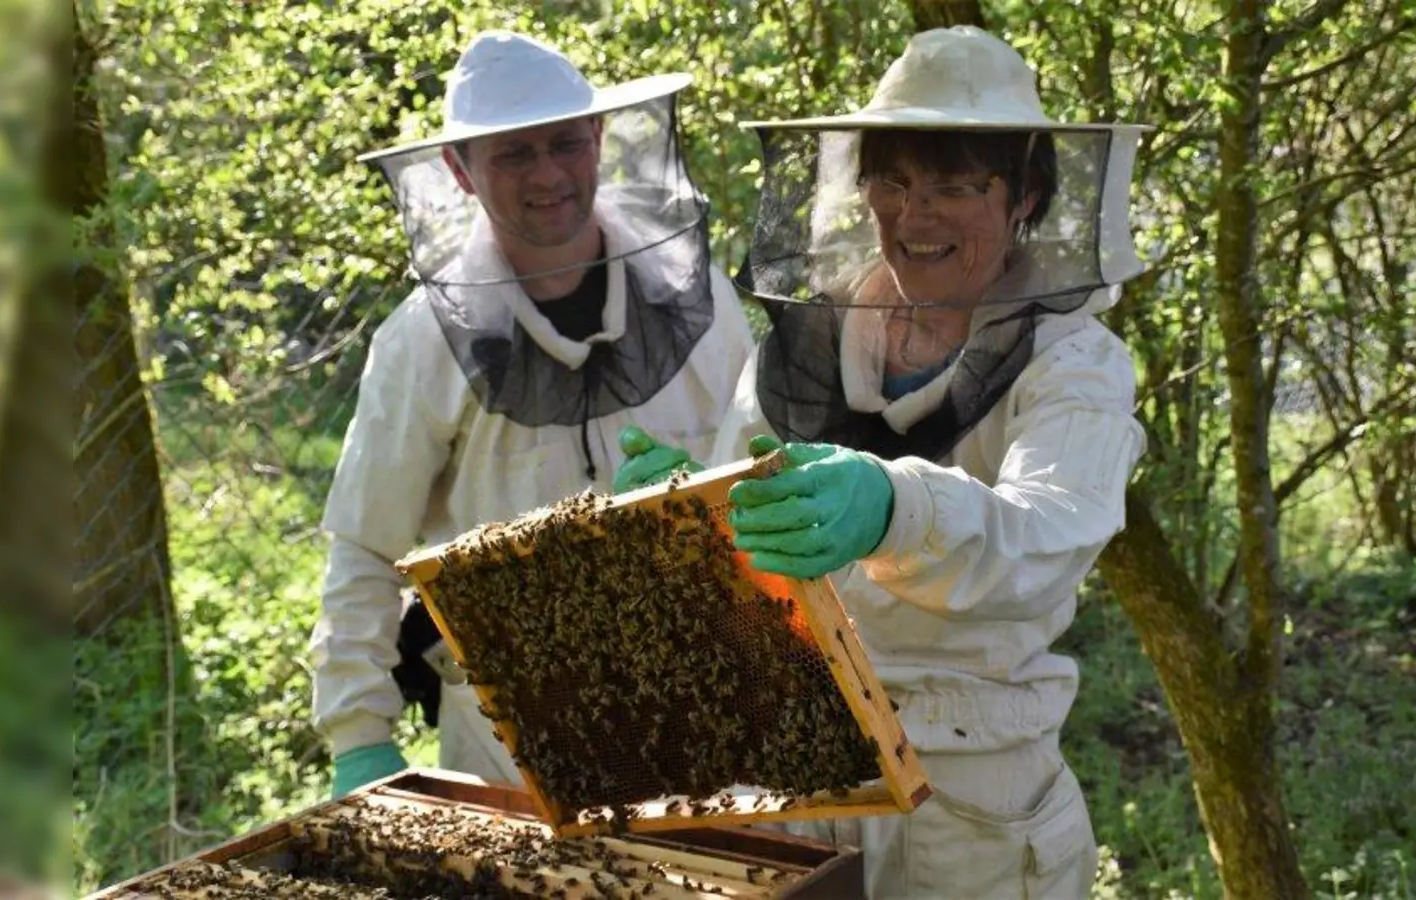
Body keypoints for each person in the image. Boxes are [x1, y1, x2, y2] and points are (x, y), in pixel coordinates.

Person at [617, 26, 1150, 898]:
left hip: (971, 807)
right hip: (797, 775)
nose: (915, 214)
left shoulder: (1076, 361)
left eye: (953, 185)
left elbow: (1049, 536)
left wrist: (895, 509)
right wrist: (680, 517)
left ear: (1026, 195)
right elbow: (745, 564)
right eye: (891, 181)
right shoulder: (809, 340)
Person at [312, 30, 754, 800]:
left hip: (705, 715)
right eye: (514, 154)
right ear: (459, 170)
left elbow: (759, 482)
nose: (548, 174)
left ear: (599, 140)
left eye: (565, 144)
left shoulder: (701, 299)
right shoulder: (420, 341)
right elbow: (364, 547)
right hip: (510, 740)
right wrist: (359, 736)